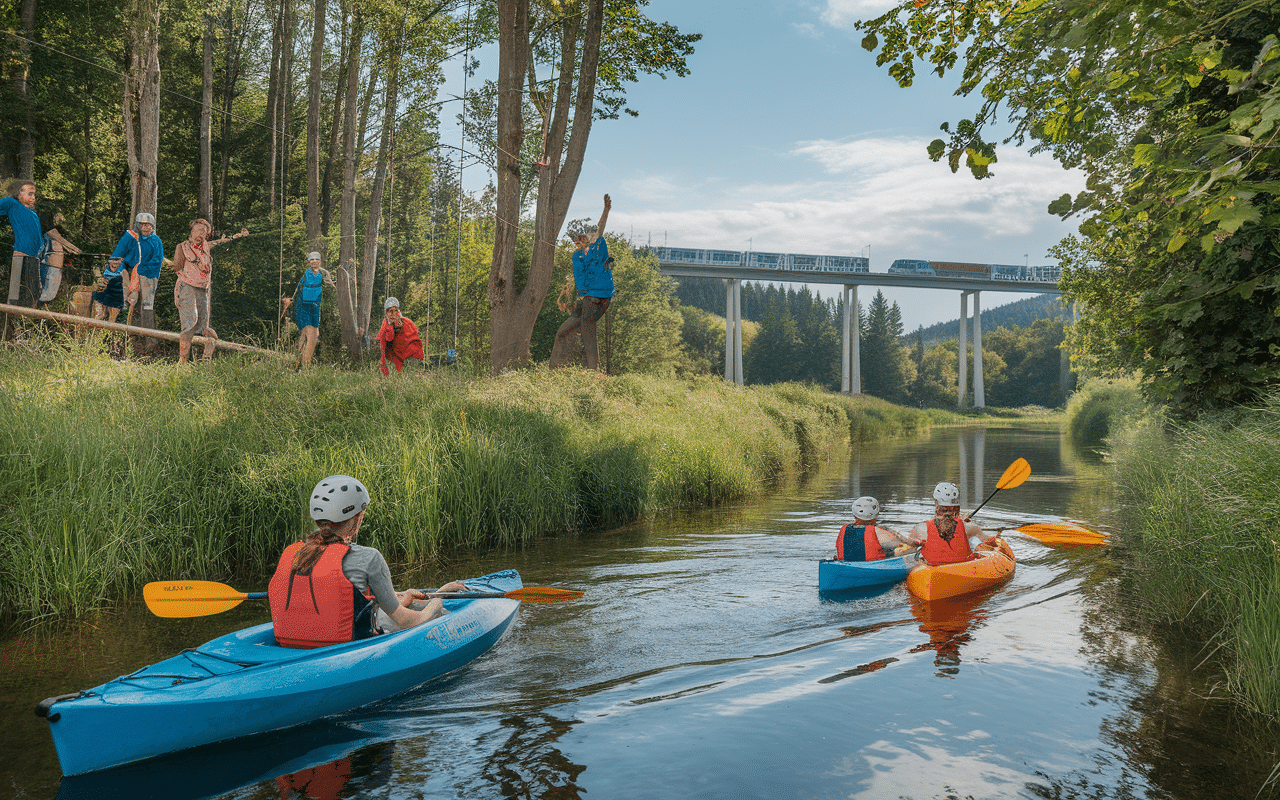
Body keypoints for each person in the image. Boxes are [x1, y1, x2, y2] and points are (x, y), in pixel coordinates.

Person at [268, 475, 469, 648]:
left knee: (406, 600)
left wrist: (404, 597)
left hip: (293, 643)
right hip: (349, 648)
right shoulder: (369, 557)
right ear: (358, 516)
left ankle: (434, 591)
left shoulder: (294, 553)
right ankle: (441, 595)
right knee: (438, 610)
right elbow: (406, 622)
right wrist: (435, 604)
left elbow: (347, 604)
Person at [550, 193, 614, 370]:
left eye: (581, 237)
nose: (578, 241)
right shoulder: (578, 255)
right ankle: (558, 367)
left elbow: (601, 227)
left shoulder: (599, 245)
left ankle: (593, 371)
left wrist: (606, 209)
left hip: (597, 299)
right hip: (594, 299)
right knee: (564, 331)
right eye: (576, 239)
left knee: (588, 330)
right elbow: (579, 279)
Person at [173, 218, 247, 364]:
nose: (202, 234)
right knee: (190, 323)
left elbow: (222, 243)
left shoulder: (207, 247)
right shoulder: (182, 247)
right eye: (199, 230)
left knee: (203, 328)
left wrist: (238, 236)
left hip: (204, 289)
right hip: (187, 286)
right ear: (191, 232)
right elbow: (176, 267)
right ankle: (182, 362)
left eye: (204, 231)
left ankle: (204, 361)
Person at [909, 482, 997, 566]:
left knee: (973, 542)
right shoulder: (969, 528)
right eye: (944, 509)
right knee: (973, 541)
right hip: (949, 572)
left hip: (956, 572)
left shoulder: (920, 529)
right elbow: (991, 543)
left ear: (936, 503)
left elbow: (991, 543)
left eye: (950, 509)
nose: (947, 513)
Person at [108, 212, 164, 328]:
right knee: (125, 299)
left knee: (147, 304)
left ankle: (148, 332)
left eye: (148, 224)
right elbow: (119, 257)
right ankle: (121, 327)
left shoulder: (156, 240)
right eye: (142, 224)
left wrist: (140, 270)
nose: (145, 227)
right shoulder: (132, 238)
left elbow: (157, 259)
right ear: (138, 225)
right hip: (131, 273)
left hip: (148, 275)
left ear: (152, 226)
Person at [282, 251, 333, 369]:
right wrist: (291, 304)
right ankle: (305, 365)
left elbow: (330, 286)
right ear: (309, 262)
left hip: (315, 307)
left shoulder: (323, 273)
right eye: (312, 259)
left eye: (316, 259)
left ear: (320, 261)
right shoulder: (306, 274)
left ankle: (298, 361)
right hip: (303, 306)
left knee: (309, 334)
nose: (314, 261)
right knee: (312, 335)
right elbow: (298, 291)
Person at [0, 180, 44, 306]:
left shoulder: (34, 214)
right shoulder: (12, 203)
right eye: (30, 194)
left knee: (33, 294)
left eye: (34, 195)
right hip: (20, 257)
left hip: (34, 259)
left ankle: (26, 324)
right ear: (20, 194)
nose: (33, 198)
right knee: (15, 294)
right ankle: (10, 323)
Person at [835, 496, 917, 561]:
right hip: (872, 565)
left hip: (845, 563)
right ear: (877, 513)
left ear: (854, 514)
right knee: (904, 550)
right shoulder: (877, 532)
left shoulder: (844, 528)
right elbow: (901, 544)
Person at [37, 206, 82, 303]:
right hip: (47, 261)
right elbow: (50, 231)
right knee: (45, 293)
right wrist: (70, 246)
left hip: (51, 264)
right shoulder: (47, 238)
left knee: (48, 293)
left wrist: (69, 247)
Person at [376, 297, 425, 375]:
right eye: (391, 311)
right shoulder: (386, 325)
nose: (393, 314)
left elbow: (414, 334)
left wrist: (398, 327)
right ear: (386, 313)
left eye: (395, 311)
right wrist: (390, 326)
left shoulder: (407, 322)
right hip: (398, 356)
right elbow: (387, 338)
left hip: (412, 355)